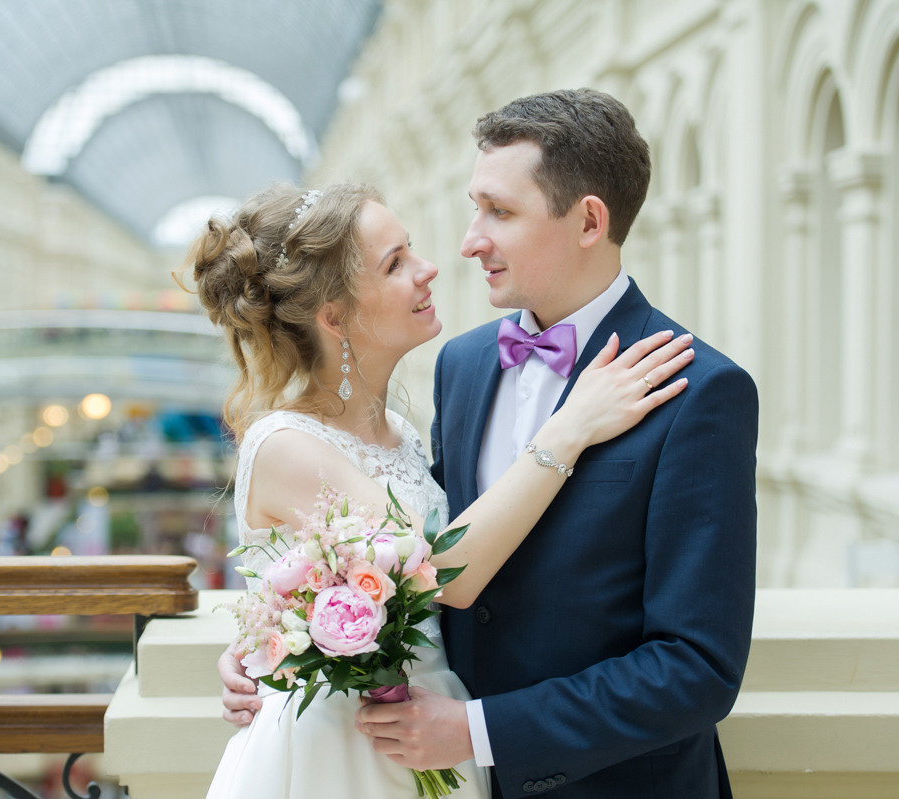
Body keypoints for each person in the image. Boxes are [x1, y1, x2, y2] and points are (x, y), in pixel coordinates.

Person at [187, 181, 695, 798]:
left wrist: (270, 641)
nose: (429, 268)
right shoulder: (285, 444)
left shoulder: (400, 433)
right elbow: (446, 567)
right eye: (395, 263)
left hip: (432, 731)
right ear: (335, 317)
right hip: (345, 755)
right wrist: (570, 429)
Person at [352, 89, 759, 797]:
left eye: (499, 212)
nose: (469, 239)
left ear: (589, 221)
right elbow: (440, 562)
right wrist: (287, 660)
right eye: (476, 206)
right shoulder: (465, 361)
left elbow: (696, 667)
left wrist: (479, 730)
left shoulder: (703, 393)